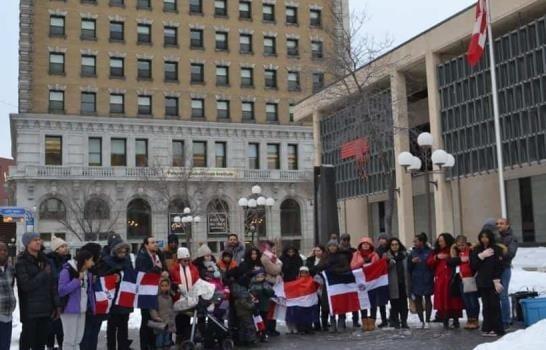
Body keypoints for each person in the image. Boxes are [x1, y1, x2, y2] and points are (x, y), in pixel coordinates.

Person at [16, 232, 61, 350]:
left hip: (45, 310)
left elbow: (53, 285)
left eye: (39, 239)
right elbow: (26, 286)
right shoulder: (21, 262)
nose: (38, 242)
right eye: (34, 240)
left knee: (40, 345)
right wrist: (43, 274)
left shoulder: (46, 261)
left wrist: (56, 305)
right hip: (30, 312)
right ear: (27, 243)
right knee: (26, 344)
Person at [470, 229, 506, 337]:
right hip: (482, 281)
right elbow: (473, 265)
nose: (484, 239)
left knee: (494, 305)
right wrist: (481, 256)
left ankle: (497, 328)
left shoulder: (497, 249)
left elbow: (500, 265)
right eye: (482, 237)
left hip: (494, 281)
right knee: (486, 306)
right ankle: (487, 327)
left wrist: (497, 280)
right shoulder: (477, 250)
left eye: (486, 237)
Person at [58, 250, 95, 350]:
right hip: (69, 310)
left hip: (81, 310)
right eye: (91, 260)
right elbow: (61, 291)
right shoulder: (66, 271)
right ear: (85, 260)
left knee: (78, 340)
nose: (93, 263)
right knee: (69, 340)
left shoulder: (87, 273)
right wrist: (77, 281)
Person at [102, 235, 134, 350]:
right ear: (115, 250)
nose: (123, 252)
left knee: (123, 327)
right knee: (111, 327)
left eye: (124, 250)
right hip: (113, 300)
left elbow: (132, 276)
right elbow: (103, 278)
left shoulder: (128, 260)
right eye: (120, 250)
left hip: (125, 299)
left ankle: (123, 347)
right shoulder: (106, 261)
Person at [135, 237, 167, 350]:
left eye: (156, 242)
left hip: (156, 290)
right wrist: (156, 270)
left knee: (154, 319)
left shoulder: (157, 255)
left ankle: (153, 344)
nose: (155, 244)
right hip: (145, 291)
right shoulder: (142, 256)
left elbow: (162, 267)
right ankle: (144, 345)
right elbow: (141, 273)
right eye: (152, 243)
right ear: (146, 245)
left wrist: (163, 272)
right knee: (146, 319)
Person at [427, 233, 463, 329]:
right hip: (441, 278)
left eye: (442, 240)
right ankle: (445, 319)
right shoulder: (436, 252)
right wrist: (437, 257)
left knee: (454, 298)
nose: (440, 243)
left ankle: (455, 319)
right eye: (439, 241)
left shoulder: (453, 250)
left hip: (452, 277)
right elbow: (429, 262)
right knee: (443, 299)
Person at [448, 235, 480, 330]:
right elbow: (451, 261)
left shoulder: (471, 251)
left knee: (473, 299)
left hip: (471, 277)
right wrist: (453, 248)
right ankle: (470, 318)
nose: (461, 247)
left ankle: (475, 319)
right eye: (458, 245)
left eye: (462, 245)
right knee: (466, 300)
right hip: (462, 278)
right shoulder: (458, 253)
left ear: (466, 243)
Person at [169, 247, 200, 345]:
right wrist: (177, 287)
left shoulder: (193, 268)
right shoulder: (174, 269)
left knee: (187, 319)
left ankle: (187, 338)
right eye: (184, 260)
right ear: (179, 260)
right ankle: (180, 338)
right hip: (179, 298)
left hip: (191, 298)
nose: (187, 262)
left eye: (188, 260)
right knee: (180, 319)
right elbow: (172, 282)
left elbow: (197, 281)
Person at [350, 237, 381, 331]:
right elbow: (352, 266)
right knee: (363, 301)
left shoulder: (375, 255)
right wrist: (362, 263)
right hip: (361, 282)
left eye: (367, 243)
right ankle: (364, 321)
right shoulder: (355, 255)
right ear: (360, 245)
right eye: (363, 244)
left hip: (372, 282)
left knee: (373, 302)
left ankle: (372, 321)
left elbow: (378, 267)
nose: (365, 245)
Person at [47, 235, 71, 350]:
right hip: (52, 297)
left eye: (66, 246)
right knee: (52, 326)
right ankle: (50, 346)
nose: (65, 248)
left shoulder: (67, 260)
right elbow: (55, 277)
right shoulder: (50, 260)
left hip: (64, 296)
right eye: (62, 246)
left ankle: (62, 346)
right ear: (56, 249)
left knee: (62, 326)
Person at [79, 242, 104, 350]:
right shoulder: (82, 269)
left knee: (94, 333)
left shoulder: (99, 265)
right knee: (86, 334)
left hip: (97, 305)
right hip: (88, 306)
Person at [322, 239, 351, 332]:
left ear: (337, 247)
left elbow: (347, 268)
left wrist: (336, 270)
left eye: (334, 246)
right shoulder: (325, 257)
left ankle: (341, 323)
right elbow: (320, 267)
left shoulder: (342, 257)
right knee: (330, 304)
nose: (332, 248)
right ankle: (333, 323)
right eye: (330, 246)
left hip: (339, 283)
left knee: (340, 303)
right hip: (329, 285)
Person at [496, 218, 518, 330]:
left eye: (501, 223)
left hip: (504, 269)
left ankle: (506, 321)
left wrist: (499, 255)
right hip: (495, 270)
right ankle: (499, 319)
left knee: (503, 295)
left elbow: (511, 253)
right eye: (497, 223)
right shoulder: (497, 237)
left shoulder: (512, 238)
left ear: (508, 225)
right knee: (496, 295)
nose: (499, 225)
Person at [408, 233, 434, 328]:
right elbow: (408, 268)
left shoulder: (430, 251)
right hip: (416, 278)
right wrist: (412, 262)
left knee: (427, 298)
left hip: (427, 277)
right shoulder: (412, 252)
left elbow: (432, 264)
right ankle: (421, 320)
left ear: (421, 242)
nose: (414, 243)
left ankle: (427, 319)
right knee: (418, 299)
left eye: (416, 241)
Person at [258, 240, 282, 336]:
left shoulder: (272, 257)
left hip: (274, 282)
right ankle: (267, 328)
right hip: (269, 283)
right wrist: (279, 264)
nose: (273, 250)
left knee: (273, 307)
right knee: (268, 307)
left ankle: (272, 328)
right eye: (272, 248)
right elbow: (274, 270)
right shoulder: (265, 258)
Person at [386, 238, 410, 329]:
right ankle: (395, 322)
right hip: (392, 284)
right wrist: (389, 264)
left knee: (404, 304)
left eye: (396, 244)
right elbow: (383, 269)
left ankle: (404, 321)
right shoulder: (387, 256)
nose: (395, 246)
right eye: (392, 244)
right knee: (394, 304)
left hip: (403, 283)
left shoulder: (405, 255)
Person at [339, 234, 360, 328]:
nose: (346, 241)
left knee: (354, 299)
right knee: (342, 300)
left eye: (347, 239)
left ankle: (355, 320)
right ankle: (342, 319)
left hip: (352, 277)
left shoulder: (354, 251)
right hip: (341, 278)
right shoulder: (338, 251)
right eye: (344, 239)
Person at [248, 268, 274, 342]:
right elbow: (250, 292)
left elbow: (271, 293)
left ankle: (263, 334)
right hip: (255, 306)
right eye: (258, 276)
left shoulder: (266, 284)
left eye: (261, 276)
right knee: (255, 321)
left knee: (264, 320)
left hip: (264, 305)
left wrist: (266, 288)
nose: (260, 278)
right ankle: (256, 334)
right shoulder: (252, 284)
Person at [149, 278, 175, 350]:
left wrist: (172, 320)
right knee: (159, 340)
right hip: (159, 323)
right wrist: (155, 317)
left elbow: (171, 310)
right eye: (162, 286)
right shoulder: (157, 298)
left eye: (166, 285)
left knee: (167, 340)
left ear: (169, 286)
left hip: (168, 323)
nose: (164, 287)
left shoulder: (170, 298)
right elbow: (152, 309)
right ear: (159, 287)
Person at [0, 242, 16, 350]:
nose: (3, 252)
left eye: (5, 250)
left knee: (5, 346)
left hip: (8, 315)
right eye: (0, 250)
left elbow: (11, 286)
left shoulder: (10, 269)